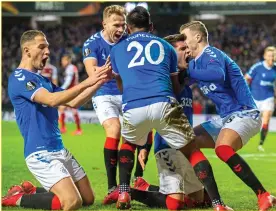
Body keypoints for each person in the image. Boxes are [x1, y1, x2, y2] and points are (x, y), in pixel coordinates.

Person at [111, 7, 230, 211]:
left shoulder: (117, 49)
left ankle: (123, 191)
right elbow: (175, 87)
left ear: (128, 28)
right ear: (151, 27)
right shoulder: (165, 48)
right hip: (164, 105)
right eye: (182, 49)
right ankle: (219, 205)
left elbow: (121, 84)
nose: (187, 53)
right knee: (193, 154)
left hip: (133, 103)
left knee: (128, 143)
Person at [2, 30, 112, 210]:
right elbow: (51, 100)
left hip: (59, 150)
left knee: (88, 198)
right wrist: (89, 80)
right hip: (40, 154)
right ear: (27, 50)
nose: (47, 52)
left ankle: (32, 191)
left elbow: (75, 102)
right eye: (42, 47)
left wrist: (100, 81)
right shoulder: (19, 77)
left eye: (48, 47)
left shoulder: (43, 80)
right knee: (72, 202)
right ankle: (17, 198)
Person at [180, 21, 276, 211]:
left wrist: (187, 69)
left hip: (245, 112)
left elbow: (216, 74)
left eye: (185, 37)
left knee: (223, 148)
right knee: (185, 142)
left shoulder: (211, 54)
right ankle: (206, 196)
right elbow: (181, 82)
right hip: (227, 118)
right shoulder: (196, 63)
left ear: (197, 37)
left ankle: (263, 195)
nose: (183, 42)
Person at [129, 34, 211, 210]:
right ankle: (132, 192)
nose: (187, 51)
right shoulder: (161, 83)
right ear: (169, 54)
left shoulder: (187, 80)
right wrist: (144, 147)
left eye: (186, 48)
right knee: (175, 204)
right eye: (182, 49)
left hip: (186, 147)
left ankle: (148, 187)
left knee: (201, 201)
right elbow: (150, 114)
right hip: (166, 146)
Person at [82, 5, 152, 203]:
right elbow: (92, 72)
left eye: (123, 25)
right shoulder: (92, 43)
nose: (121, 29)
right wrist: (113, 73)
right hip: (103, 93)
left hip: (127, 91)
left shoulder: (128, 41)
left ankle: (138, 177)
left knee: (146, 127)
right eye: (116, 25)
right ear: (104, 24)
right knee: (114, 129)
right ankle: (113, 187)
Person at [244, 46, 276, 152]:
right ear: (265, 56)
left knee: (266, 119)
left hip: (268, 98)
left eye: (273, 56)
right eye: (269, 56)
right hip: (255, 98)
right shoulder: (257, 67)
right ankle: (243, 139)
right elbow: (246, 78)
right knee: (252, 123)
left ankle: (261, 144)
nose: (271, 58)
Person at [59, 54, 82, 135]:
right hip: (73, 90)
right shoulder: (72, 68)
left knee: (72, 109)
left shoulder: (70, 68)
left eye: (63, 60)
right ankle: (63, 128)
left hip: (71, 91)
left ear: (68, 60)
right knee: (62, 108)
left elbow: (68, 81)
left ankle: (78, 130)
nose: (62, 62)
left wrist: (61, 89)